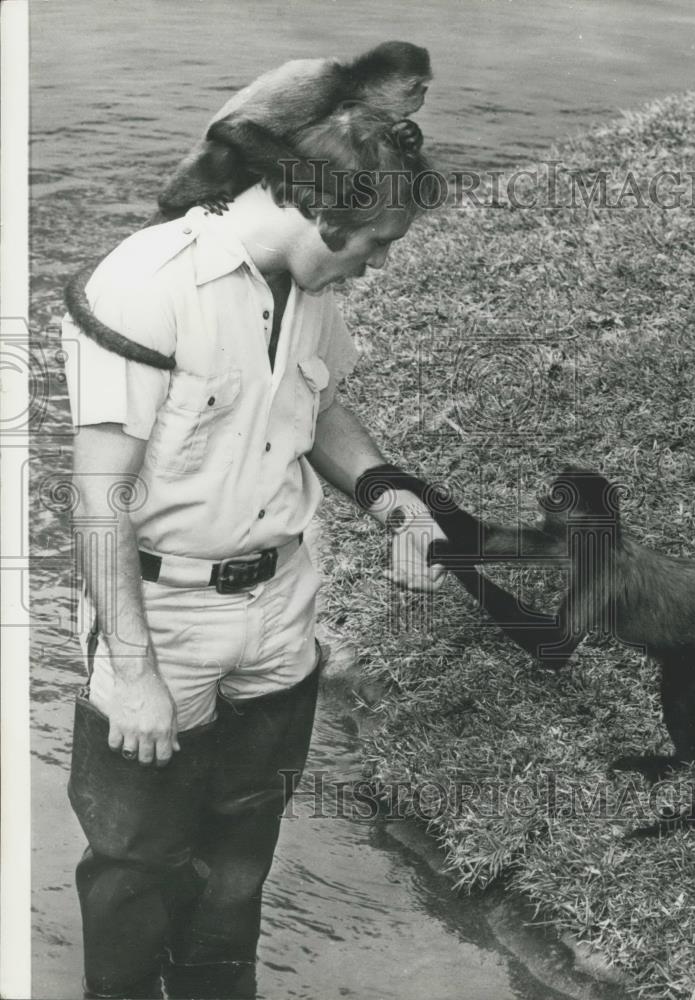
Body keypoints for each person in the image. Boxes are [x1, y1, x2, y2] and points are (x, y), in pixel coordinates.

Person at [62, 105, 446, 999]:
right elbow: (97, 494)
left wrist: (387, 492)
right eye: (374, 243)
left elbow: (315, 410)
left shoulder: (306, 287)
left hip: (279, 612)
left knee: (241, 848)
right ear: (320, 214)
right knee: (135, 858)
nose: (377, 262)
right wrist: (130, 671)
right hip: (160, 619)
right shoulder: (148, 284)